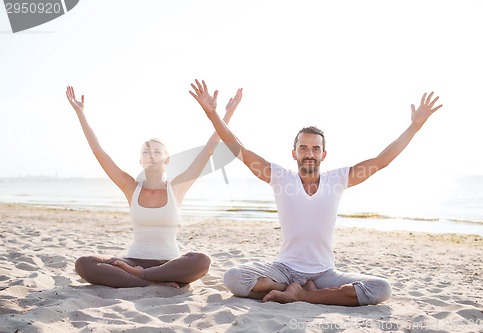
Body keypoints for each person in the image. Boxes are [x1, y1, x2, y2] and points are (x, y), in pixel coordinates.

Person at [190, 79, 442, 306]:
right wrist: (213, 114)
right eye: (303, 148)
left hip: (324, 274)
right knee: (234, 278)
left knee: (381, 288)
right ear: (294, 153)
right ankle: (289, 289)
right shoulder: (280, 178)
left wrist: (414, 127)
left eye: (314, 148)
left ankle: (300, 295)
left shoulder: (337, 180)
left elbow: (381, 161)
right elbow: (240, 151)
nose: (309, 153)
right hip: (285, 269)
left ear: (323, 154)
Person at [66, 85, 242, 288]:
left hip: (169, 264)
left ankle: (146, 277)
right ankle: (152, 281)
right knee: (84, 263)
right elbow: (98, 152)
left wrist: (226, 114)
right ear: (140, 161)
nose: (150, 155)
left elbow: (209, 150)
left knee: (202, 261)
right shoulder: (130, 187)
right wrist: (81, 113)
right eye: (145, 152)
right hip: (132, 262)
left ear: (167, 160)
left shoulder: (177, 187)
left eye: (157, 152)